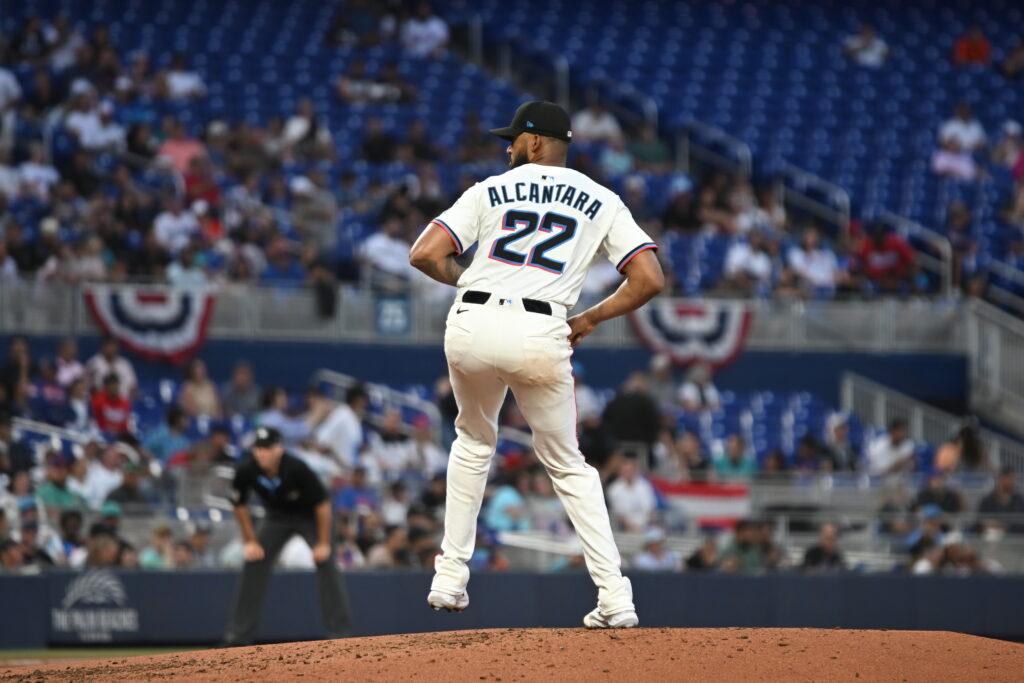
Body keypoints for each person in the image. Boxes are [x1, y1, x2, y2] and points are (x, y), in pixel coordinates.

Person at [409, 100, 664, 629]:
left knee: (473, 442)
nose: (508, 147)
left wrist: (474, 284)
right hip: (541, 330)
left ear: (536, 141)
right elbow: (649, 280)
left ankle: (449, 578)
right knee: (568, 464)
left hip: (471, 325)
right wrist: (592, 318)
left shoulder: (489, 189)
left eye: (515, 138)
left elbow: (424, 253)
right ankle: (615, 597)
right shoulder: (603, 199)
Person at [224, 427, 351, 646]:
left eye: (267, 448)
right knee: (253, 561)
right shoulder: (247, 470)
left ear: (279, 449)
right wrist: (250, 541)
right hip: (277, 517)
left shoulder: (296, 468)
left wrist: (322, 543)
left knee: (327, 563)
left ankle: (340, 634)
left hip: (310, 516)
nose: (261, 453)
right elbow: (238, 504)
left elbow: (322, 505)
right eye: (258, 448)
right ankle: (237, 637)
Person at [977, 467, 1024, 536]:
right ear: (1000, 479)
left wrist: (1003, 527)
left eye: (1012, 479)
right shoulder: (987, 500)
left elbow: (1020, 523)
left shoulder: (1019, 500)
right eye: (1007, 478)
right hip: (993, 540)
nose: (1011, 482)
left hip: (1015, 539)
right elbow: (980, 523)